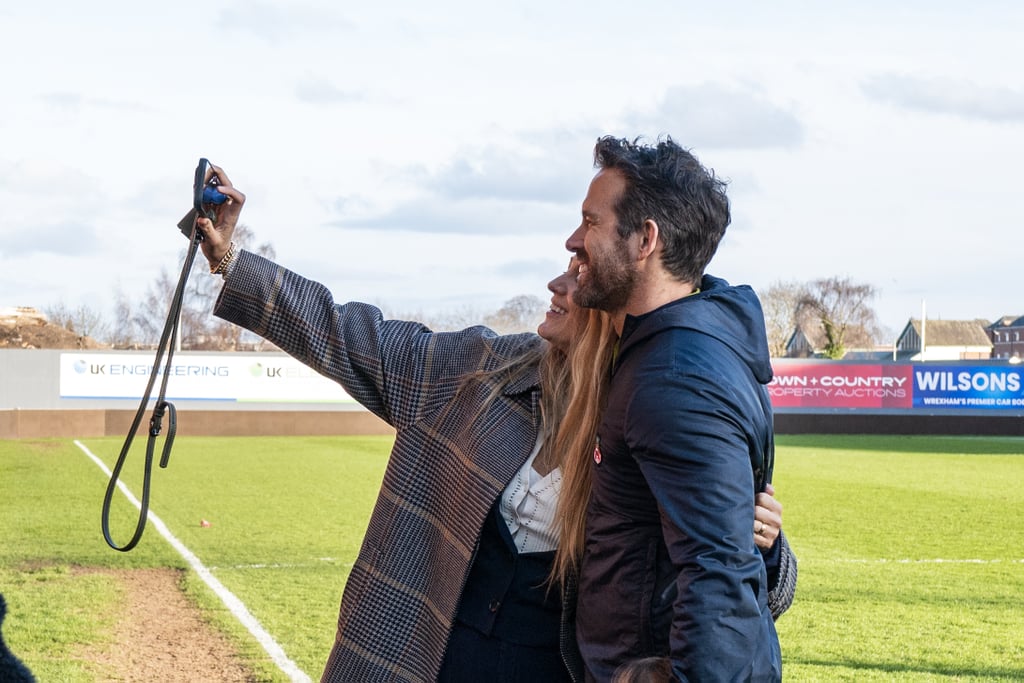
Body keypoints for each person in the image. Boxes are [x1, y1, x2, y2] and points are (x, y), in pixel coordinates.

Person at [195, 165, 795, 682]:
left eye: (579, 272)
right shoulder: (477, 369)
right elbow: (349, 334)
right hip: (422, 658)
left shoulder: (661, 403)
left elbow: (741, 587)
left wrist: (766, 545)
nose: (560, 283)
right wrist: (230, 259)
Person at [565, 135, 783, 681]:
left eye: (591, 222)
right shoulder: (670, 350)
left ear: (645, 240)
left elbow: (719, 575)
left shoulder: (675, 376)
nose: (574, 241)